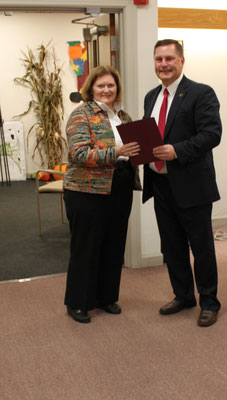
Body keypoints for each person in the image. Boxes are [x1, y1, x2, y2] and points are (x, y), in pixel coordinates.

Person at [143, 39, 222, 327]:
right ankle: (184, 295)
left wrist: (177, 150)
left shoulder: (201, 93)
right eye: (158, 59)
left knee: (201, 248)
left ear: (181, 61)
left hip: (192, 185)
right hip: (160, 185)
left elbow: (212, 134)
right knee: (172, 247)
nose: (163, 64)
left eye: (169, 59)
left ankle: (209, 302)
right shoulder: (151, 96)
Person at [63, 65, 141, 323]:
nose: (107, 90)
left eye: (111, 85)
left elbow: (133, 149)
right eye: (101, 86)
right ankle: (78, 302)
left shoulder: (123, 115)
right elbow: (78, 154)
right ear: (91, 89)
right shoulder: (81, 115)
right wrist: (116, 153)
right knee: (86, 246)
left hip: (119, 184)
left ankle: (106, 297)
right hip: (86, 190)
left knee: (114, 243)